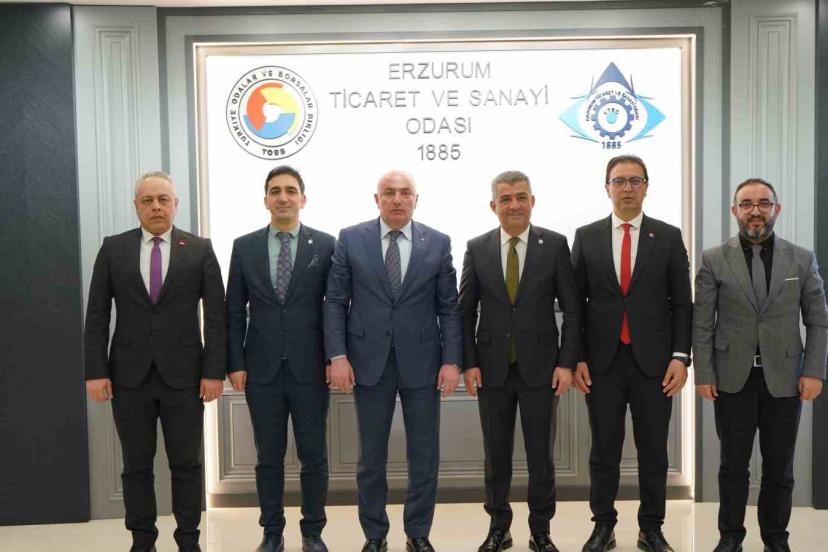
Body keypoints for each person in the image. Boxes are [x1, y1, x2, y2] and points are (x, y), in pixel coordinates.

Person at [84, 171, 226, 552]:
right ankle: (142, 540)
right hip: (129, 377)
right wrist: (95, 372)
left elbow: (216, 317)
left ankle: (189, 540)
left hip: (186, 377)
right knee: (136, 466)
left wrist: (214, 372)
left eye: (163, 199)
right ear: (136, 206)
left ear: (176, 204)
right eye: (147, 200)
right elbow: (97, 315)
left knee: (187, 465)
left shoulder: (199, 249)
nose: (156, 207)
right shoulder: (113, 249)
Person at [323, 170, 462, 552]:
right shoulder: (351, 239)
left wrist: (452, 361)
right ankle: (375, 535)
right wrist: (338, 356)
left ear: (417, 199)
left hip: (424, 363)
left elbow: (449, 307)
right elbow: (335, 302)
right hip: (367, 362)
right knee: (371, 458)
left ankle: (418, 533)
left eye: (405, 193)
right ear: (377, 199)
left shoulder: (438, 242)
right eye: (389, 193)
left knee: (424, 455)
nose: (397, 199)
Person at [693, 178, 828, 552]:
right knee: (732, 466)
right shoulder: (713, 259)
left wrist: (813, 370)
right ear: (734, 210)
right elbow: (702, 321)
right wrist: (704, 372)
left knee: (779, 467)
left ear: (776, 209)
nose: (756, 211)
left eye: (764, 203)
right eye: (747, 204)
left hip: (785, 378)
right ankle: (730, 538)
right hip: (731, 378)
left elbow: (818, 319)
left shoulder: (801, 259)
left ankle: (776, 538)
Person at [571, 155, 692, 552]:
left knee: (653, 450)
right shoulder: (586, 236)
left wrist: (680, 356)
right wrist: (577, 358)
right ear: (606, 187)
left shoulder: (668, 236)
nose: (627, 188)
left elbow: (682, 303)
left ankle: (651, 529)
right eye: (619, 181)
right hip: (601, 362)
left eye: (634, 180)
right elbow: (574, 305)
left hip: (655, 364)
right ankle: (603, 526)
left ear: (646, 187)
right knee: (604, 449)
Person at [459, 170, 580, 552]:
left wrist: (566, 363)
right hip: (491, 369)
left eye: (521, 197)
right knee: (496, 455)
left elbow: (573, 310)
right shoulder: (477, 247)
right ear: (493, 205)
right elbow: (465, 311)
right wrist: (469, 363)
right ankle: (499, 527)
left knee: (541, 455)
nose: (514, 205)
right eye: (506, 199)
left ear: (532, 201)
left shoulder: (555, 245)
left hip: (542, 370)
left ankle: (540, 530)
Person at [225, 166, 335, 552]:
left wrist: (334, 358)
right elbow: (233, 311)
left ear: (303, 198)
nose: (283, 197)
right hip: (261, 371)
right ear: (265, 200)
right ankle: (272, 532)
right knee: (268, 458)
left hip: (311, 369)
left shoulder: (326, 245)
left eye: (290, 190)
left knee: (314, 457)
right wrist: (235, 363)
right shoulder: (244, 246)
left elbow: (335, 308)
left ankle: (312, 532)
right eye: (276, 191)